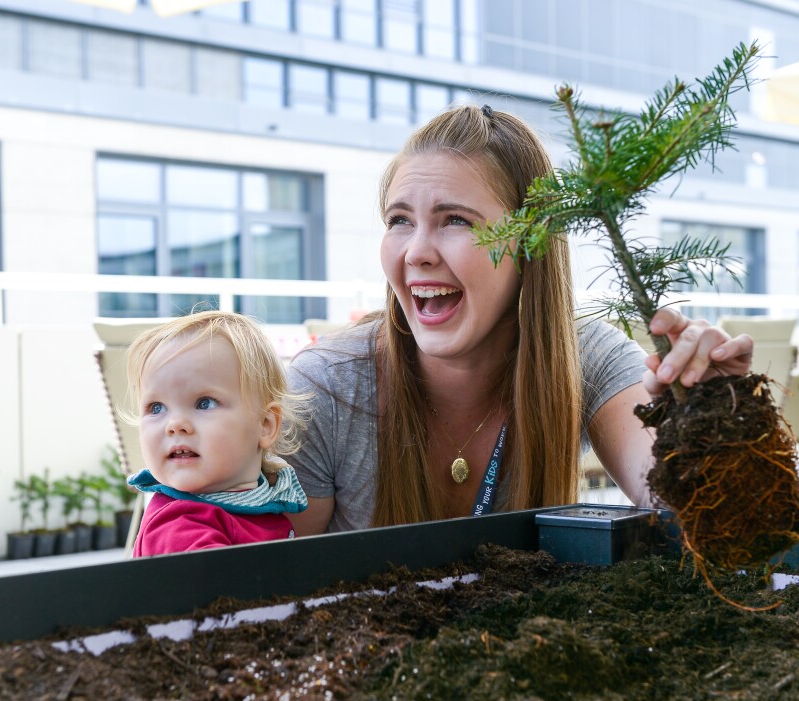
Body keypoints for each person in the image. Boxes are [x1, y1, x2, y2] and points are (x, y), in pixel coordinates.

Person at [284, 104, 754, 536]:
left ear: (531, 246)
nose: (417, 252)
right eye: (399, 220)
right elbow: (272, 595)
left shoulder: (585, 355)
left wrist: (712, 417)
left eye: (457, 221)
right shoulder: (326, 386)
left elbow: (695, 512)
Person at [124, 310, 310, 557]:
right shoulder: (179, 524)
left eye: (204, 403)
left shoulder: (259, 499)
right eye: (156, 408)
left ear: (265, 425)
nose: (175, 424)